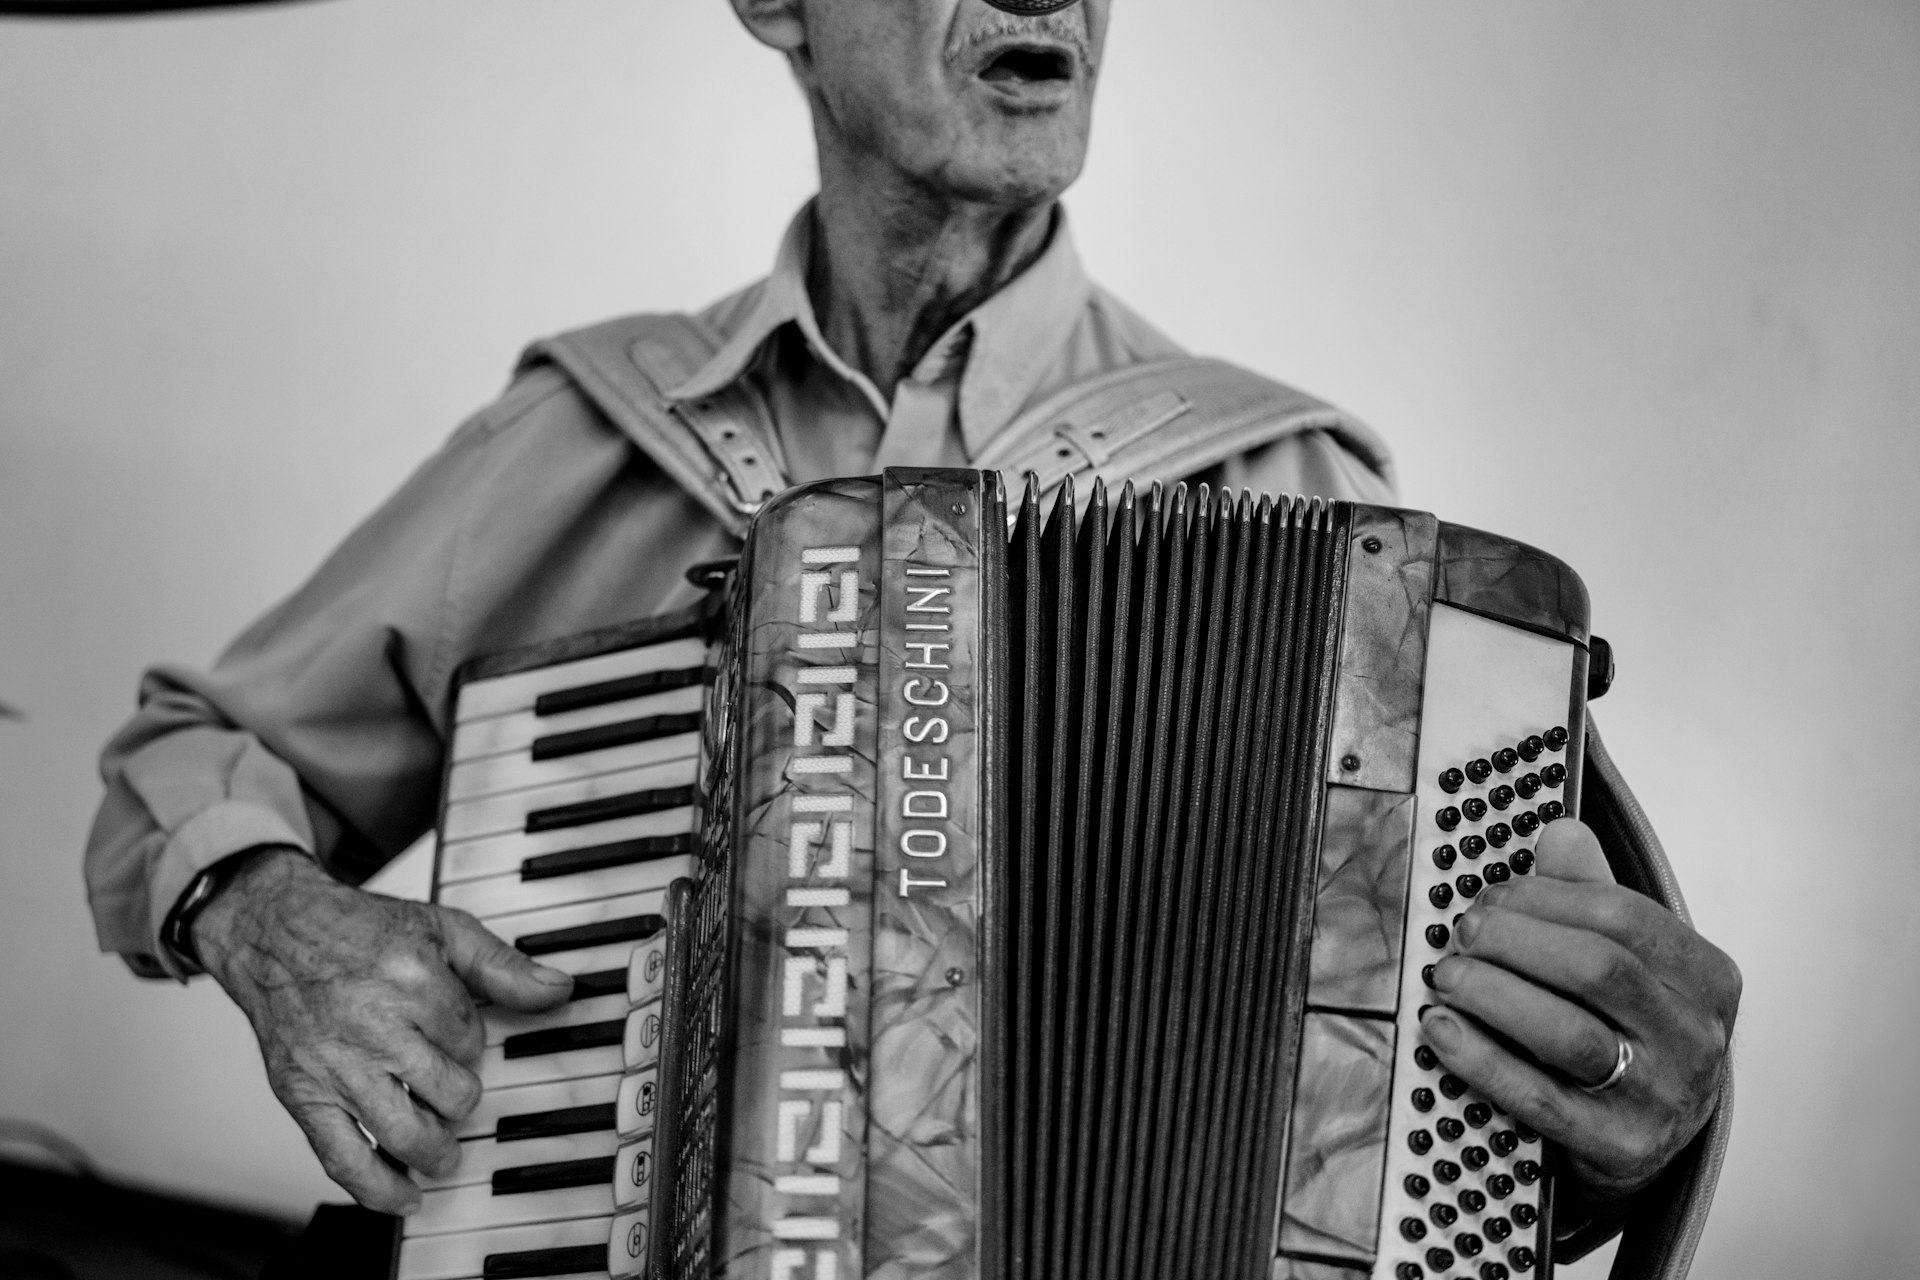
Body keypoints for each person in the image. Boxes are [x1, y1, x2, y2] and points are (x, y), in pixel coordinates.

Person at [83, 0, 1739, 1263]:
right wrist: (265, 914)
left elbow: (1528, 1091)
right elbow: (184, 759)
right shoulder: (595, 428)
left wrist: (1610, 1115)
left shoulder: (1316, 515)